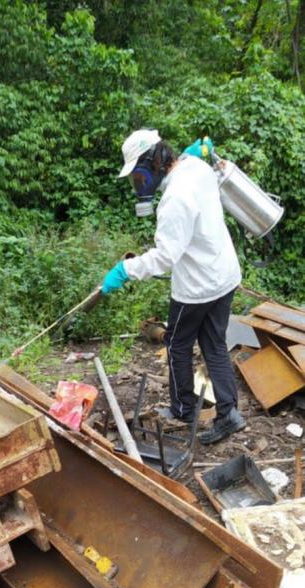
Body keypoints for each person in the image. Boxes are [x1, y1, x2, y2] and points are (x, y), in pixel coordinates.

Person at [101, 129, 246, 445]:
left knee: (178, 344)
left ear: (152, 163)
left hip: (196, 288)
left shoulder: (173, 200)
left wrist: (126, 269)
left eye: (138, 175)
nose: (138, 183)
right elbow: (193, 159)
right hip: (223, 275)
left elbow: (165, 258)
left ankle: (183, 409)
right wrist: (194, 153)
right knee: (215, 344)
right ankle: (229, 414)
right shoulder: (196, 168)